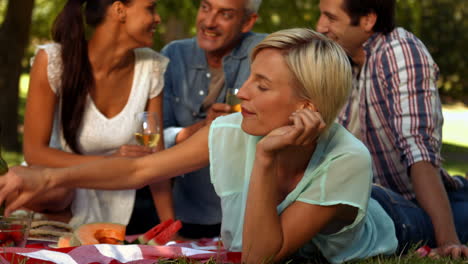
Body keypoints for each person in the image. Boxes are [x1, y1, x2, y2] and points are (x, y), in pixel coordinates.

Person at [1, 28, 399, 264]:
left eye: (262, 86)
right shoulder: (232, 129)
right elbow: (140, 170)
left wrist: (264, 158)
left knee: (455, 212)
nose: (241, 92)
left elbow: (259, 257)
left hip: (395, 219)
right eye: (249, 79)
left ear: (307, 107)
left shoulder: (347, 159)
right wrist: (46, 175)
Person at [316, 0, 468, 258]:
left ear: (367, 20)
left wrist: (447, 241)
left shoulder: (398, 50)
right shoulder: (347, 66)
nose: (320, 26)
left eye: (331, 17)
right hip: (379, 201)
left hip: (415, 203)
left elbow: (417, 148)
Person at [21, 0, 174, 234]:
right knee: (60, 193)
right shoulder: (54, 60)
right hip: (54, 193)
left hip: (111, 208)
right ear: (119, 10)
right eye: (150, 8)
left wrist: (169, 228)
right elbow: (34, 152)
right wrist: (111, 163)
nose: (157, 18)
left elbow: (157, 161)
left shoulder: (151, 66)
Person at [161, 0, 265, 238]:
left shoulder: (264, 54)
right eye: (205, 7)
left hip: (249, 218)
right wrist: (202, 129)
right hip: (187, 216)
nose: (209, 22)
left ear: (248, 21)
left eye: (225, 14)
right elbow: (157, 137)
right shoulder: (173, 55)